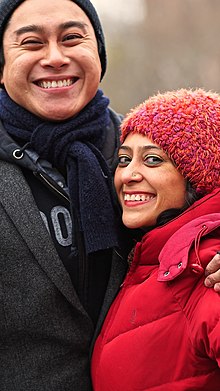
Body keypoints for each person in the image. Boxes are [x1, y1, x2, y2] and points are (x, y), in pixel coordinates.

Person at [0, 1, 219, 390]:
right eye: (31, 42)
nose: (55, 57)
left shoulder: (145, 144)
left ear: (98, 53)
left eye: (72, 38)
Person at [91, 88, 220, 391]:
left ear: (198, 179)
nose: (128, 175)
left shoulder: (207, 273)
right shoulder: (145, 263)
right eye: (124, 159)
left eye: (152, 159)